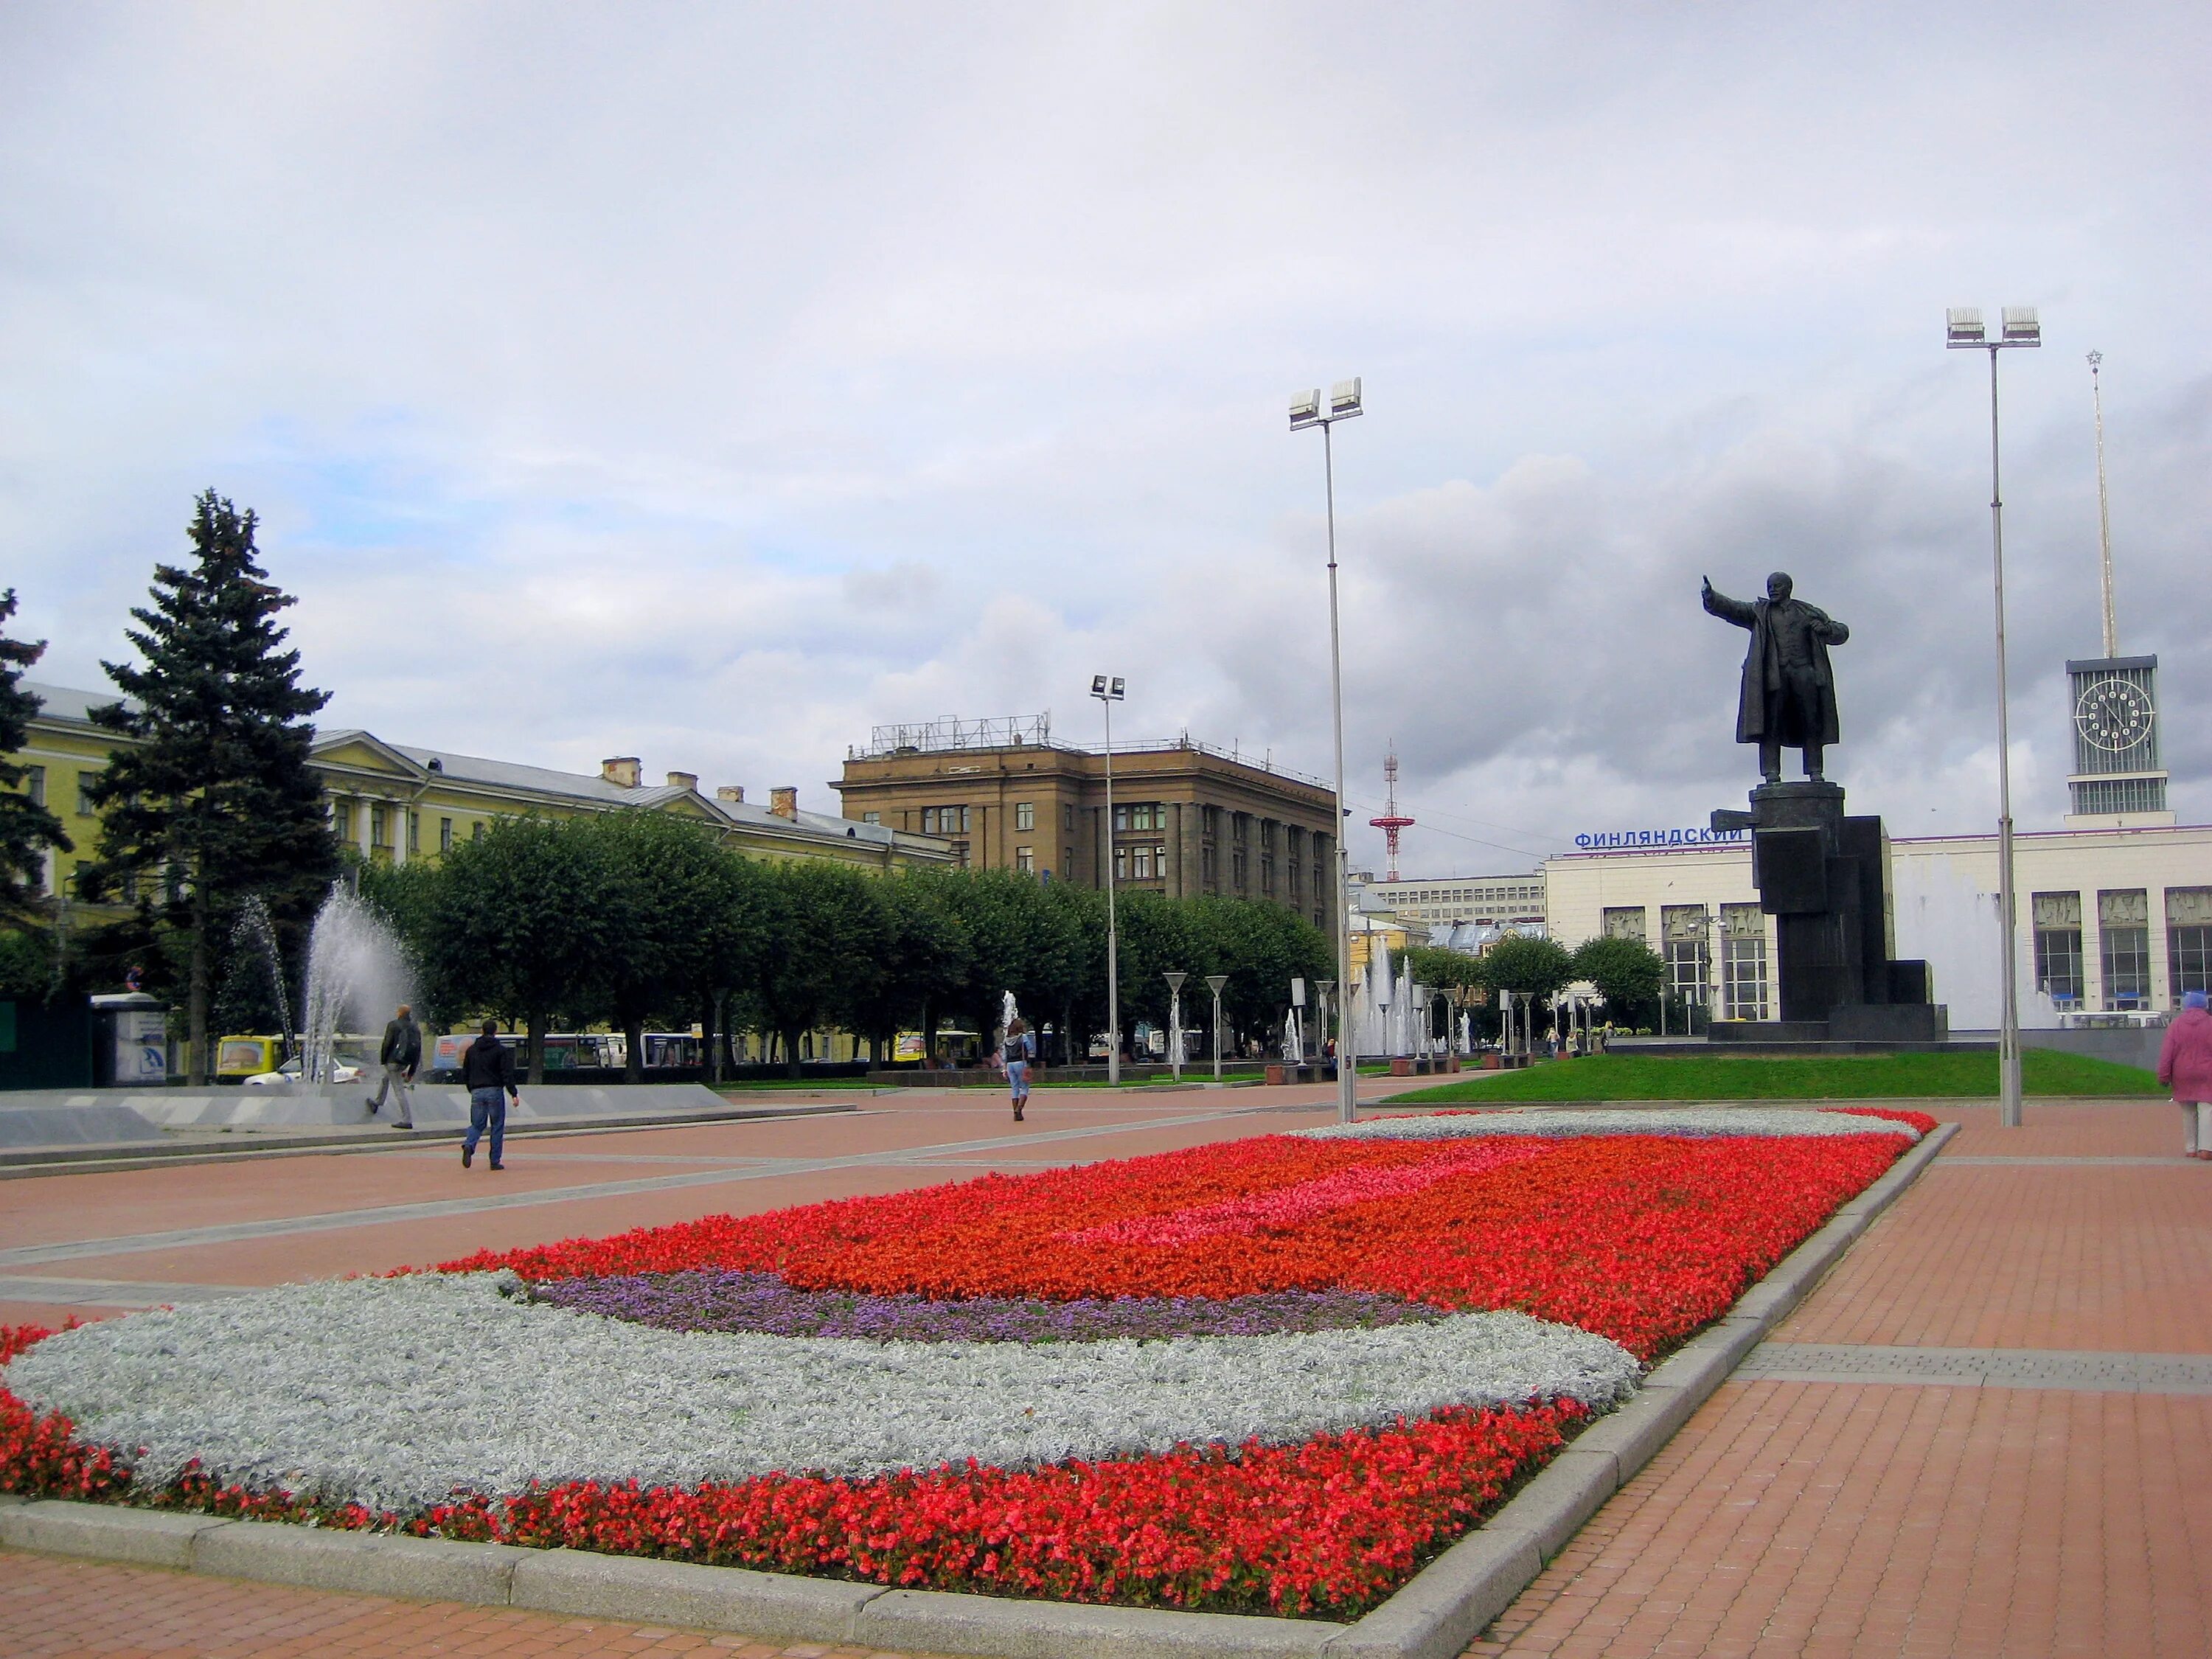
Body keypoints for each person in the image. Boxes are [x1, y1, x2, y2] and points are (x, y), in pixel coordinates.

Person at [1702, 571, 1851, 784]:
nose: (1772, 589)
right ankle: (1771, 772)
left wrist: (1826, 628)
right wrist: (1711, 596)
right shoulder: (1760, 612)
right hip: (1774, 676)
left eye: (1777, 585)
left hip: (1805, 674)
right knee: (1770, 724)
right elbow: (1733, 608)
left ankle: (1815, 770)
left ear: (1788, 588)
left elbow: (1842, 632)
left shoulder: (1807, 612)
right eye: (1770, 586)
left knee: (1812, 722)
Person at [2157, 990, 2212, 1160]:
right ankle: (2206, 1148)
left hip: (2182, 1073)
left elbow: (2167, 1053)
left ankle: (2191, 1148)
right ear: (2205, 1006)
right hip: (2207, 1072)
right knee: (2206, 1108)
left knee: (2188, 1111)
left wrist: (2163, 1075)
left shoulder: (2176, 1025)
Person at [460, 1018, 521, 1170]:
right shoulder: (501, 1050)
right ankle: (494, 1161)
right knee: (497, 1125)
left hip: (477, 1091)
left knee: (477, 1124)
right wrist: (513, 1093)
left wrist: (471, 1087)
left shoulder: (472, 1050)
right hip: (494, 1090)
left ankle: (469, 1145)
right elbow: (506, 1074)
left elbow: (466, 1071)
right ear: (495, 1032)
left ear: (482, 1031)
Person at [365, 1003, 421, 1129]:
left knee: (399, 1090)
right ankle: (377, 1102)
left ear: (400, 1013)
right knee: (386, 1079)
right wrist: (412, 1071)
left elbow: (387, 1043)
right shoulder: (415, 1028)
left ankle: (407, 1120)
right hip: (405, 1062)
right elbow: (418, 1050)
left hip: (393, 1061)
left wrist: (384, 1060)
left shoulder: (393, 1025)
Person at [1001, 1017, 1034, 1122]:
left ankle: (1015, 1113)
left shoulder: (1006, 1039)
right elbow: (1031, 1049)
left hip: (1010, 1064)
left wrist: (1004, 1068)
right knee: (1024, 1087)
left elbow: (1004, 1055)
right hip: (1021, 1062)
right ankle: (1019, 1108)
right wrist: (1030, 1063)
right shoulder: (1023, 1037)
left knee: (1014, 1088)